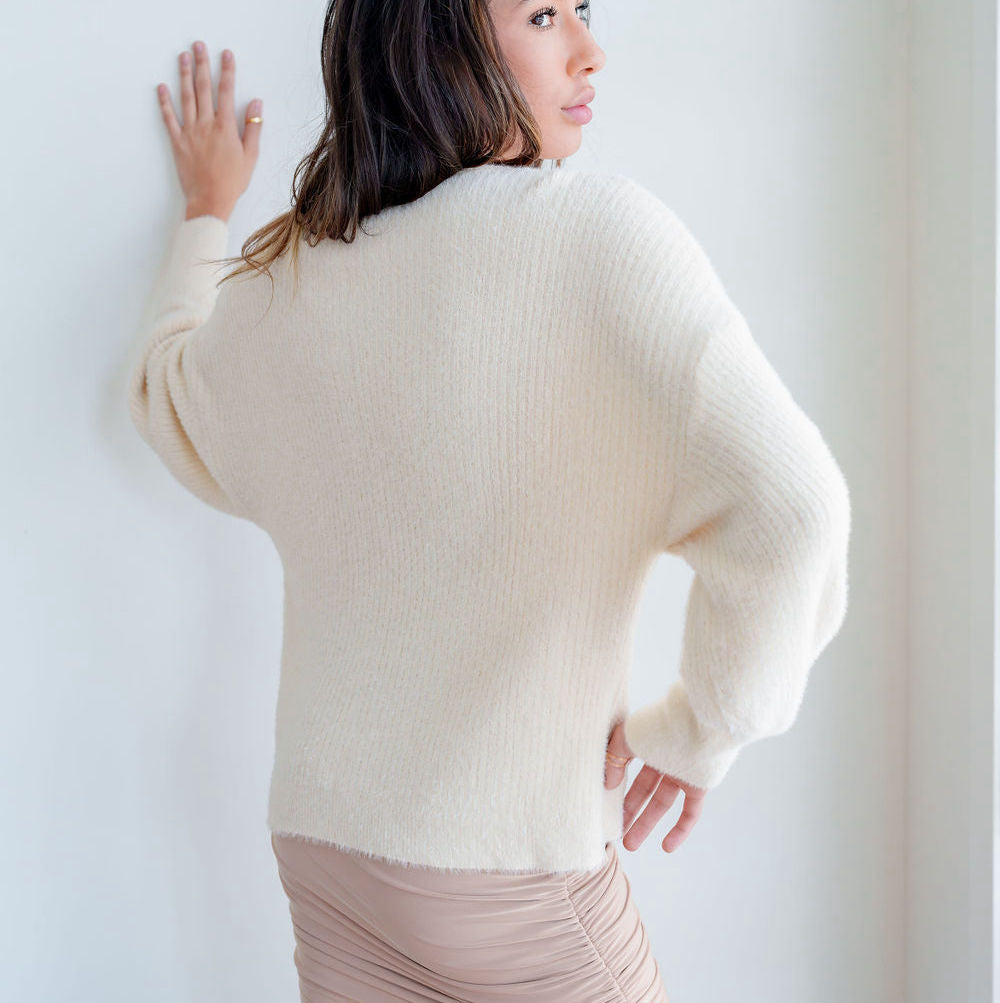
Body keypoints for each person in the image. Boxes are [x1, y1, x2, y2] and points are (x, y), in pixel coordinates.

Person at [131, 1, 851, 1000]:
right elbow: (795, 507)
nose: (590, 50)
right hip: (514, 881)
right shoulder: (596, 233)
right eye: (545, 14)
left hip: (330, 859)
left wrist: (208, 211)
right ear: (435, 41)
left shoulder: (287, 278)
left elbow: (164, 394)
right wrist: (700, 730)